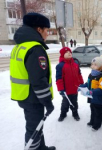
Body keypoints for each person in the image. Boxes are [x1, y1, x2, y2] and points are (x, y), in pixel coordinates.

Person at [10, 13, 55, 150]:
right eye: (47, 30)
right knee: (33, 130)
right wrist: (47, 102)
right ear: (39, 30)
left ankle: (41, 147)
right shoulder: (35, 49)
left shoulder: (19, 47)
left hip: (23, 95)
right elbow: (38, 80)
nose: (48, 34)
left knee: (36, 126)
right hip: (34, 98)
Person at [79, 56, 102, 131]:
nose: (93, 66)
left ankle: (97, 125)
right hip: (92, 98)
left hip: (99, 99)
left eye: (95, 64)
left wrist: (92, 92)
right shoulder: (91, 75)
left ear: (101, 66)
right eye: (92, 64)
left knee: (98, 112)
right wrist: (82, 86)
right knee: (92, 110)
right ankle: (92, 121)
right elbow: (88, 83)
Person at [56, 47, 84, 122]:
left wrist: (81, 83)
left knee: (74, 102)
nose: (69, 53)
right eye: (66, 52)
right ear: (62, 55)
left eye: (70, 52)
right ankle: (63, 114)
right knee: (65, 104)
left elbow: (79, 75)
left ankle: (75, 113)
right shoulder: (60, 66)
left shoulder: (75, 64)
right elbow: (59, 79)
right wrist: (61, 89)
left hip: (75, 89)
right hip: (66, 90)